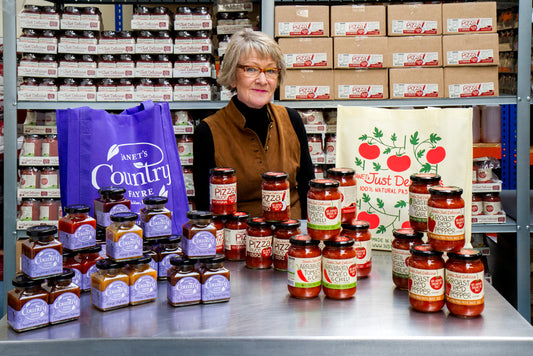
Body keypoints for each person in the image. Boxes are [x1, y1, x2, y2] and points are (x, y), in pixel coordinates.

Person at [193, 28, 314, 219]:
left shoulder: (291, 120)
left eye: (271, 71)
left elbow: (309, 187)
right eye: (251, 69)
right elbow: (204, 207)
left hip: (292, 238)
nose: (263, 80)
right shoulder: (208, 131)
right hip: (237, 239)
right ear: (232, 76)